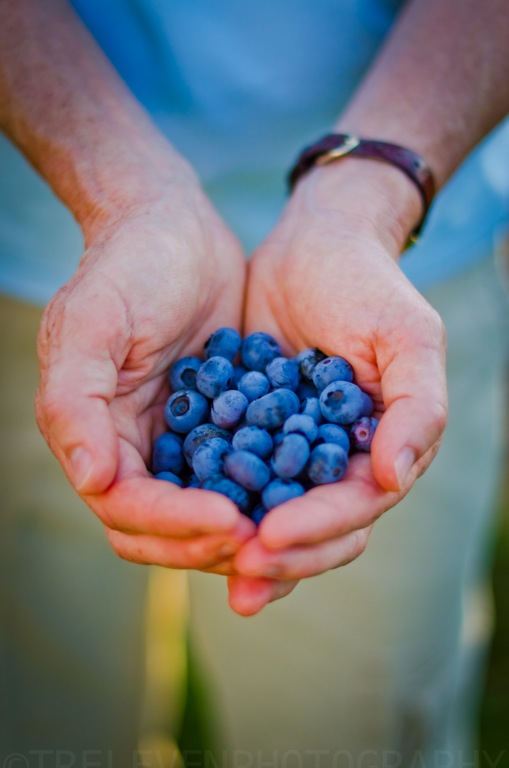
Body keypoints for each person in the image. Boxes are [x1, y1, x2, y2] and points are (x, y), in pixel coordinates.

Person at [0, 0, 508, 765]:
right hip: (53, 268)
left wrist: (367, 198)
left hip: (395, 260)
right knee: (37, 712)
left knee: (351, 731)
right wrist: (121, 190)